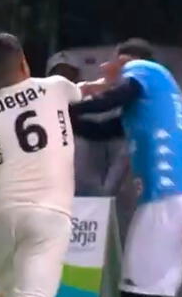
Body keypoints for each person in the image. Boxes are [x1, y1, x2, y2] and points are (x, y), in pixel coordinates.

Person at [0, 32, 110, 297]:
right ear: (25, 63)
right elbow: (86, 90)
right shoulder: (55, 88)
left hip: (1, 217)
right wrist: (109, 81)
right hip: (48, 215)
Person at [70, 38, 182, 297]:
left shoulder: (146, 70)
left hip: (166, 199)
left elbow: (113, 98)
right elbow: (100, 130)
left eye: (117, 64)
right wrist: (61, 117)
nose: (111, 70)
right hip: (173, 200)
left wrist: (75, 101)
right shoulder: (151, 103)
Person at [46, 50, 130, 199]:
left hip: (88, 191)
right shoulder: (40, 105)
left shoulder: (94, 104)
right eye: (57, 74)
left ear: (78, 75)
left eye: (68, 73)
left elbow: (107, 142)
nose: (63, 78)